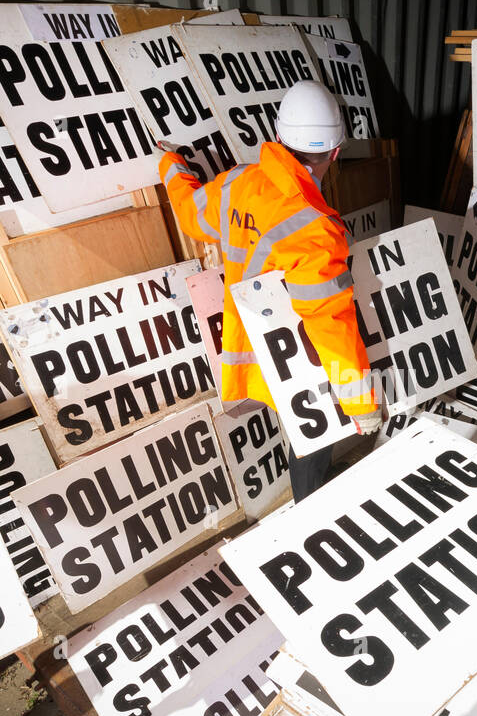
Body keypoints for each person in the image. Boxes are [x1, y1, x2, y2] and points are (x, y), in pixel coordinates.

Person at [157, 80, 381, 502]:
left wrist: (171, 166)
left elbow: (190, 214)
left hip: (251, 345)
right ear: (335, 152)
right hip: (300, 354)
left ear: (278, 138)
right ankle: (313, 511)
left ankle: (312, 498)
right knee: (311, 439)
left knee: (300, 431)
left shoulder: (237, 184)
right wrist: (360, 400)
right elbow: (329, 322)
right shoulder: (314, 228)